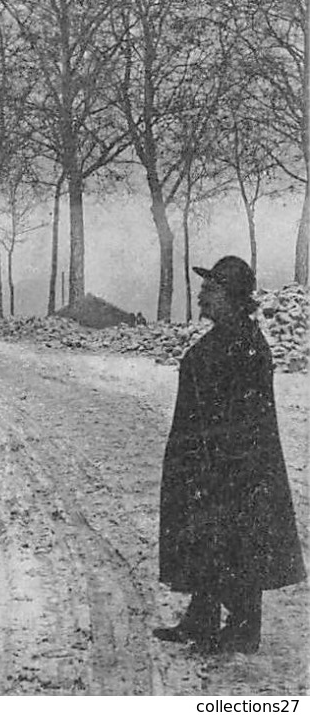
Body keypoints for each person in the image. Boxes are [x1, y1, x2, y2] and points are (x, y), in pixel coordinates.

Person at [155, 255, 305, 654]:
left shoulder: (244, 344)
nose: (202, 297)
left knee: (238, 539)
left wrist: (216, 464)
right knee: (208, 537)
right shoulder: (226, 335)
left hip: (233, 466)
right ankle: (201, 618)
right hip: (209, 459)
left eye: (210, 289)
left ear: (233, 297)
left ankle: (243, 630)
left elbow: (243, 418)